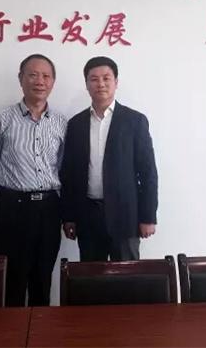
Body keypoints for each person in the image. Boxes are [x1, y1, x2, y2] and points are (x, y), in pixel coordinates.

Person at [0, 54, 66, 306]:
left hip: (49, 209)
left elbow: (63, 166)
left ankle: (41, 328)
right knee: (11, 281)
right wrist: (10, 197)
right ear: (21, 79)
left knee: (43, 278)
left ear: (53, 82)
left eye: (46, 76)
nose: (40, 81)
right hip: (12, 208)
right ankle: (10, 329)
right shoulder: (2, 120)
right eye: (33, 75)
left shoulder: (61, 123)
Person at [61, 56, 158, 261]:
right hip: (88, 215)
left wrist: (148, 217)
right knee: (90, 276)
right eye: (94, 79)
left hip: (126, 216)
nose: (101, 84)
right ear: (87, 84)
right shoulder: (76, 124)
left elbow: (148, 172)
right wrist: (69, 216)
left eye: (106, 78)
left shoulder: (135, 121)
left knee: (127, 276)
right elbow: (69, 174)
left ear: (116, 82)